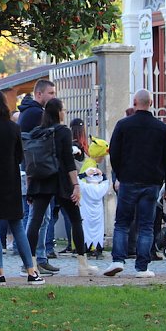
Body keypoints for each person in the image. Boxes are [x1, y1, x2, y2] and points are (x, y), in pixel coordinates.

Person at [0, 90, 44, 285]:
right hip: (10, 181)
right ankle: (32, 271)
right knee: (17, 226)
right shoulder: (14, 127)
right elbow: (19, 156)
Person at [104, 89, 166, 278]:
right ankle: (142, 267)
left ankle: (118, 260)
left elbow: (114, 153)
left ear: (134, 102)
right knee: (146, 225)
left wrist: (119, 175)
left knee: (122, 223)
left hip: (128, 180)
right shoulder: (162, 129)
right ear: (151, 103)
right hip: (152, 182)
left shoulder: (123, 125)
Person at [26, 98, 97, 277]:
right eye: (63, 109)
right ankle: (82, 265)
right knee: (75, 220)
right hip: (61, 180)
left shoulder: (36, 132)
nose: (64, 112)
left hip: (40, 180)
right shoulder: (63, 131)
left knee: (35, 221)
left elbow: (29, 163)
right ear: (58, 112)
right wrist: (76, 186)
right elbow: (68, 161)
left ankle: (31, 265)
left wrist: (30, 187)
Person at [18, 80, 63, 268]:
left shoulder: (28, 112)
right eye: (50, 93)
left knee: (41, 218)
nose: (53, 96)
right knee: (36, 218)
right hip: (36, 172)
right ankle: (31, 261)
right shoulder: (36, 114)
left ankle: (39, 258)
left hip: (33, 170)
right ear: (39, 94)